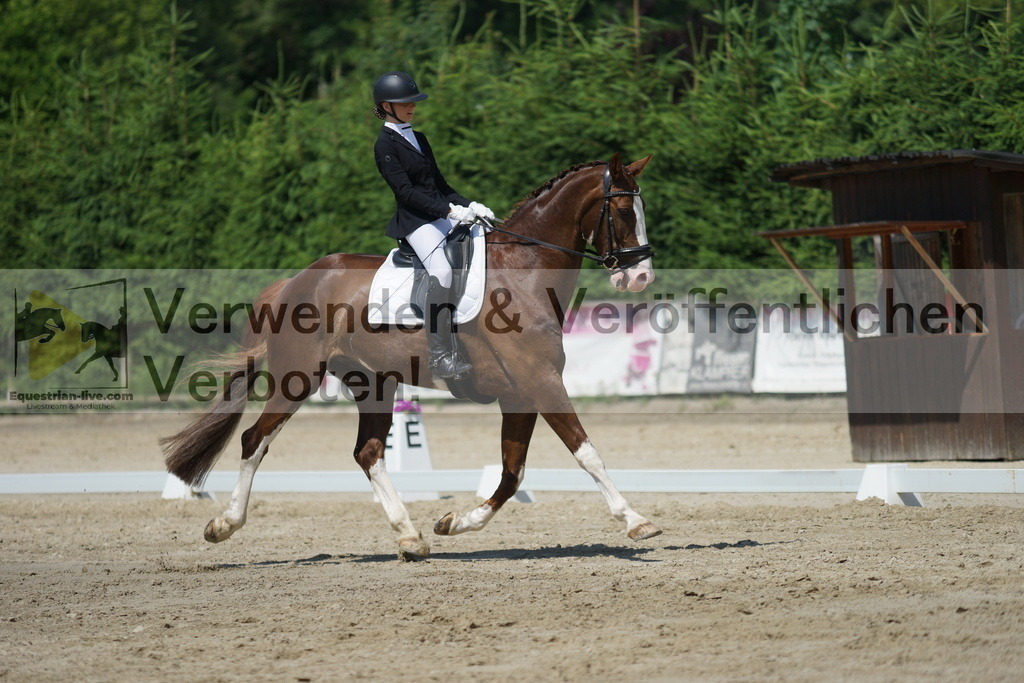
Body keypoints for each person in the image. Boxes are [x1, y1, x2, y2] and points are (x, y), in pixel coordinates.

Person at [372, 70, 495, 380]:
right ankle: (440, 357)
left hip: (440, 214)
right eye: (405, 102)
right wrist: (449, 212)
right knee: (441, 271)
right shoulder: (384, 145)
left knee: (483, 246)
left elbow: (439, 183)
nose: (412, 106)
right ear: (387, 106)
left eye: (413, 101)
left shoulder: (419, 137)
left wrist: (469, 205)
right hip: (416, 223)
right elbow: (406, 193)